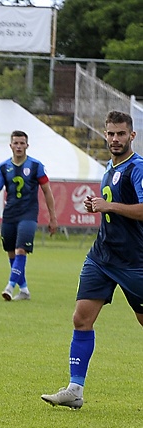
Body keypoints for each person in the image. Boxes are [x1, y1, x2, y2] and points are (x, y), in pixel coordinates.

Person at [42, 111, 143, 409]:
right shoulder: (109, 168)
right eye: (110, 133)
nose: (114, 139)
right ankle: (75, 389)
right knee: (81, 318)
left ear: (132, 136)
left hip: (133, 261)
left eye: (120, 134)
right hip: (101, 256)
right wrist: (97, 207)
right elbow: (112, 209)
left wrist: (108, 205)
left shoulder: (137, 168)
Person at [0, 130, 58, 301]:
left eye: (22, 143)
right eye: (16, 143)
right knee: (11, 252)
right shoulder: (3, 167)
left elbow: (47, 191)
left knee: (21, 249)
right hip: (9, 214)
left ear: (27, 146)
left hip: (28, 214)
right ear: (11, 145)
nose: (19, 146)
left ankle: (9, 287)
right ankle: (24, 290)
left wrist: (53, 217)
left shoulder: (36, 166)